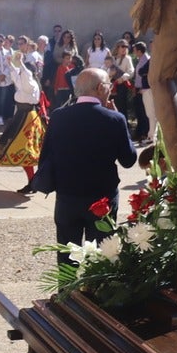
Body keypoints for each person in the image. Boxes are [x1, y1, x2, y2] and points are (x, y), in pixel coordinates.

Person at [29, 68, 137, 252]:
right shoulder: (114, 119)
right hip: (102, 198)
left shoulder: (58, 116)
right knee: (102, 257)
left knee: (68, 258)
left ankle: (70, 282)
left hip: (67, 196)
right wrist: (121, 121)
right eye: (108, 86)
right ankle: (96, 283)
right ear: (100, 88)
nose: (110, 90)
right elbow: (128, 159)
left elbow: (45, 156)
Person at [0, 48, 48, 194]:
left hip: (27, 117)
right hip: (23, 116)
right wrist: (11, 65)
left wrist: (21, 64)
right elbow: (17, 78)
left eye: (23, 71)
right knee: (25, 152)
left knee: (25, 151)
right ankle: (33, 181)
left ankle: (34, 182)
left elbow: (24, 76)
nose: (20, 73)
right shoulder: (26, 84)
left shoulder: (30, 84)